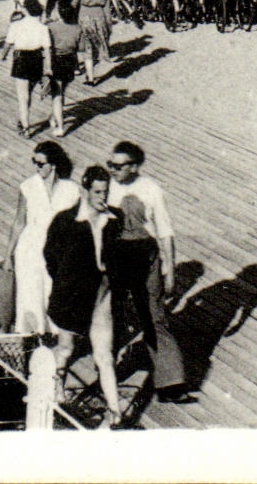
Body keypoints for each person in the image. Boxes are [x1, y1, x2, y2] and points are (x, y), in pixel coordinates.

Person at [106, 140, 191, 403]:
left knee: (154, 317)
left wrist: (170, 270)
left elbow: (164, 231)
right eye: (110, 164)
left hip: (146, 257)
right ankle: (108, 374)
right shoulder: (105, 187)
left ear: (134, 166)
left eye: (118, 166)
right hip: (116, 258)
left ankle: (170, 383)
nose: (112, 170)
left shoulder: (151, 189)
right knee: (112, 316)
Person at [43, 164, 126, 428]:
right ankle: (57, 392)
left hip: (102, 296)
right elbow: (51, 258)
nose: (103, 197)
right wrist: (67, 285)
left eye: (106, 191)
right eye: (98, 192)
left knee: (105, 355)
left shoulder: (115, 220)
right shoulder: (65, 221)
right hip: (72, 297)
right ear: (84, 191)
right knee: (66, 348)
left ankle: (115, 413)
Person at [0, 140, 80, 334]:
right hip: (31, 246)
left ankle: (55, 332)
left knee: (54, 290)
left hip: (58, 247)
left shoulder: (71, 190)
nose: (36, 167)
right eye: (34, 162)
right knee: (30, 292)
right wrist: (8, 255)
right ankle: (32, 334)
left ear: (53, 164)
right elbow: (19, 222)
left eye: (40, 163)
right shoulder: (27, 186)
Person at [1, 0, 53, 136]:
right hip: (36, 59)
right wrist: (48, 67)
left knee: (22, 96)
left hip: (21, 58)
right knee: (28, 92)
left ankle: (26, 126)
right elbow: (47, 49)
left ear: (26, 10)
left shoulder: (16, 25)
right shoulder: (43, 27)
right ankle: (22, 120)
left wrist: (3, 55)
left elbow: (8, 43)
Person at [46, 2, 83, 136]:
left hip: (55, 60)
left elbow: (47, 45)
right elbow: (81, 47)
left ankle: (60, 126)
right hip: (70, 60)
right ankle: (55, 116)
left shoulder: (51, 27)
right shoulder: (77, 28)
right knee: (61, 91)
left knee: (56, 95)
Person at [74, 0, 113, 85]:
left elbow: (73, 5)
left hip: (84, 19)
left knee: (87, 49)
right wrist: (109, 26)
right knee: (97, 47)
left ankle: (90, 77)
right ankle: (93, 75)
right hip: (99, 19)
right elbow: (107, 12)